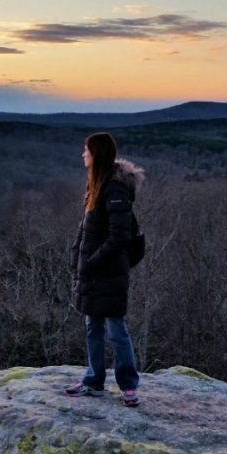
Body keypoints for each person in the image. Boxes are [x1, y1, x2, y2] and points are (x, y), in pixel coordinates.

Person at [66, 131, 144, 407]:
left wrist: (93, 260)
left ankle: (128, 385)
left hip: (108, 272)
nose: (82, 154)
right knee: (92, 326)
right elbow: (88, 229)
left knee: (116, 329)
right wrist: (78, 257)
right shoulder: (96, 184)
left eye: (86, 150)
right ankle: (94, 380)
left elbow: (120, 235)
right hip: (92, 271)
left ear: (96, 154)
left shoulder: (115, 188)